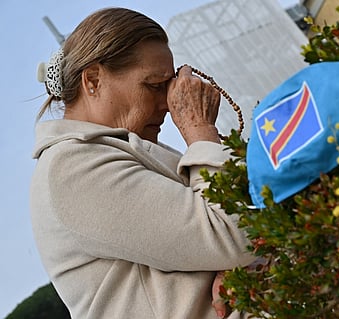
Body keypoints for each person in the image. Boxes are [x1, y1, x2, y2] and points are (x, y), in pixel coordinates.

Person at [31, 7, 256, 319]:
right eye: (154, 86)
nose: (168, 102)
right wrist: (200, 130)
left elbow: (230, 240)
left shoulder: (107, 152)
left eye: (169, 85)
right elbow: (233, 235)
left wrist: (236, 269)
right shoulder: (71, 167)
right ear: (93, 80)